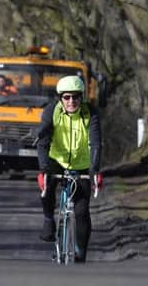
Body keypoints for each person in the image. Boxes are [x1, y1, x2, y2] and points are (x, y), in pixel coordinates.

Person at [35, 75, 103, 263]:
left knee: (82, 212)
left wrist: (94, 170)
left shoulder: (91, 113)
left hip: (82, 164)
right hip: (56, 160)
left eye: (75, 97)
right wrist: (43, 169)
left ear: (82, 97)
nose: (71, 101)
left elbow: (96, 143)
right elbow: (43, 142)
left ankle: (80, 255)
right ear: (60, 98)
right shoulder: (52, 111)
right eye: (66, 97)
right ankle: (49, 219)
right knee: (47, 185)